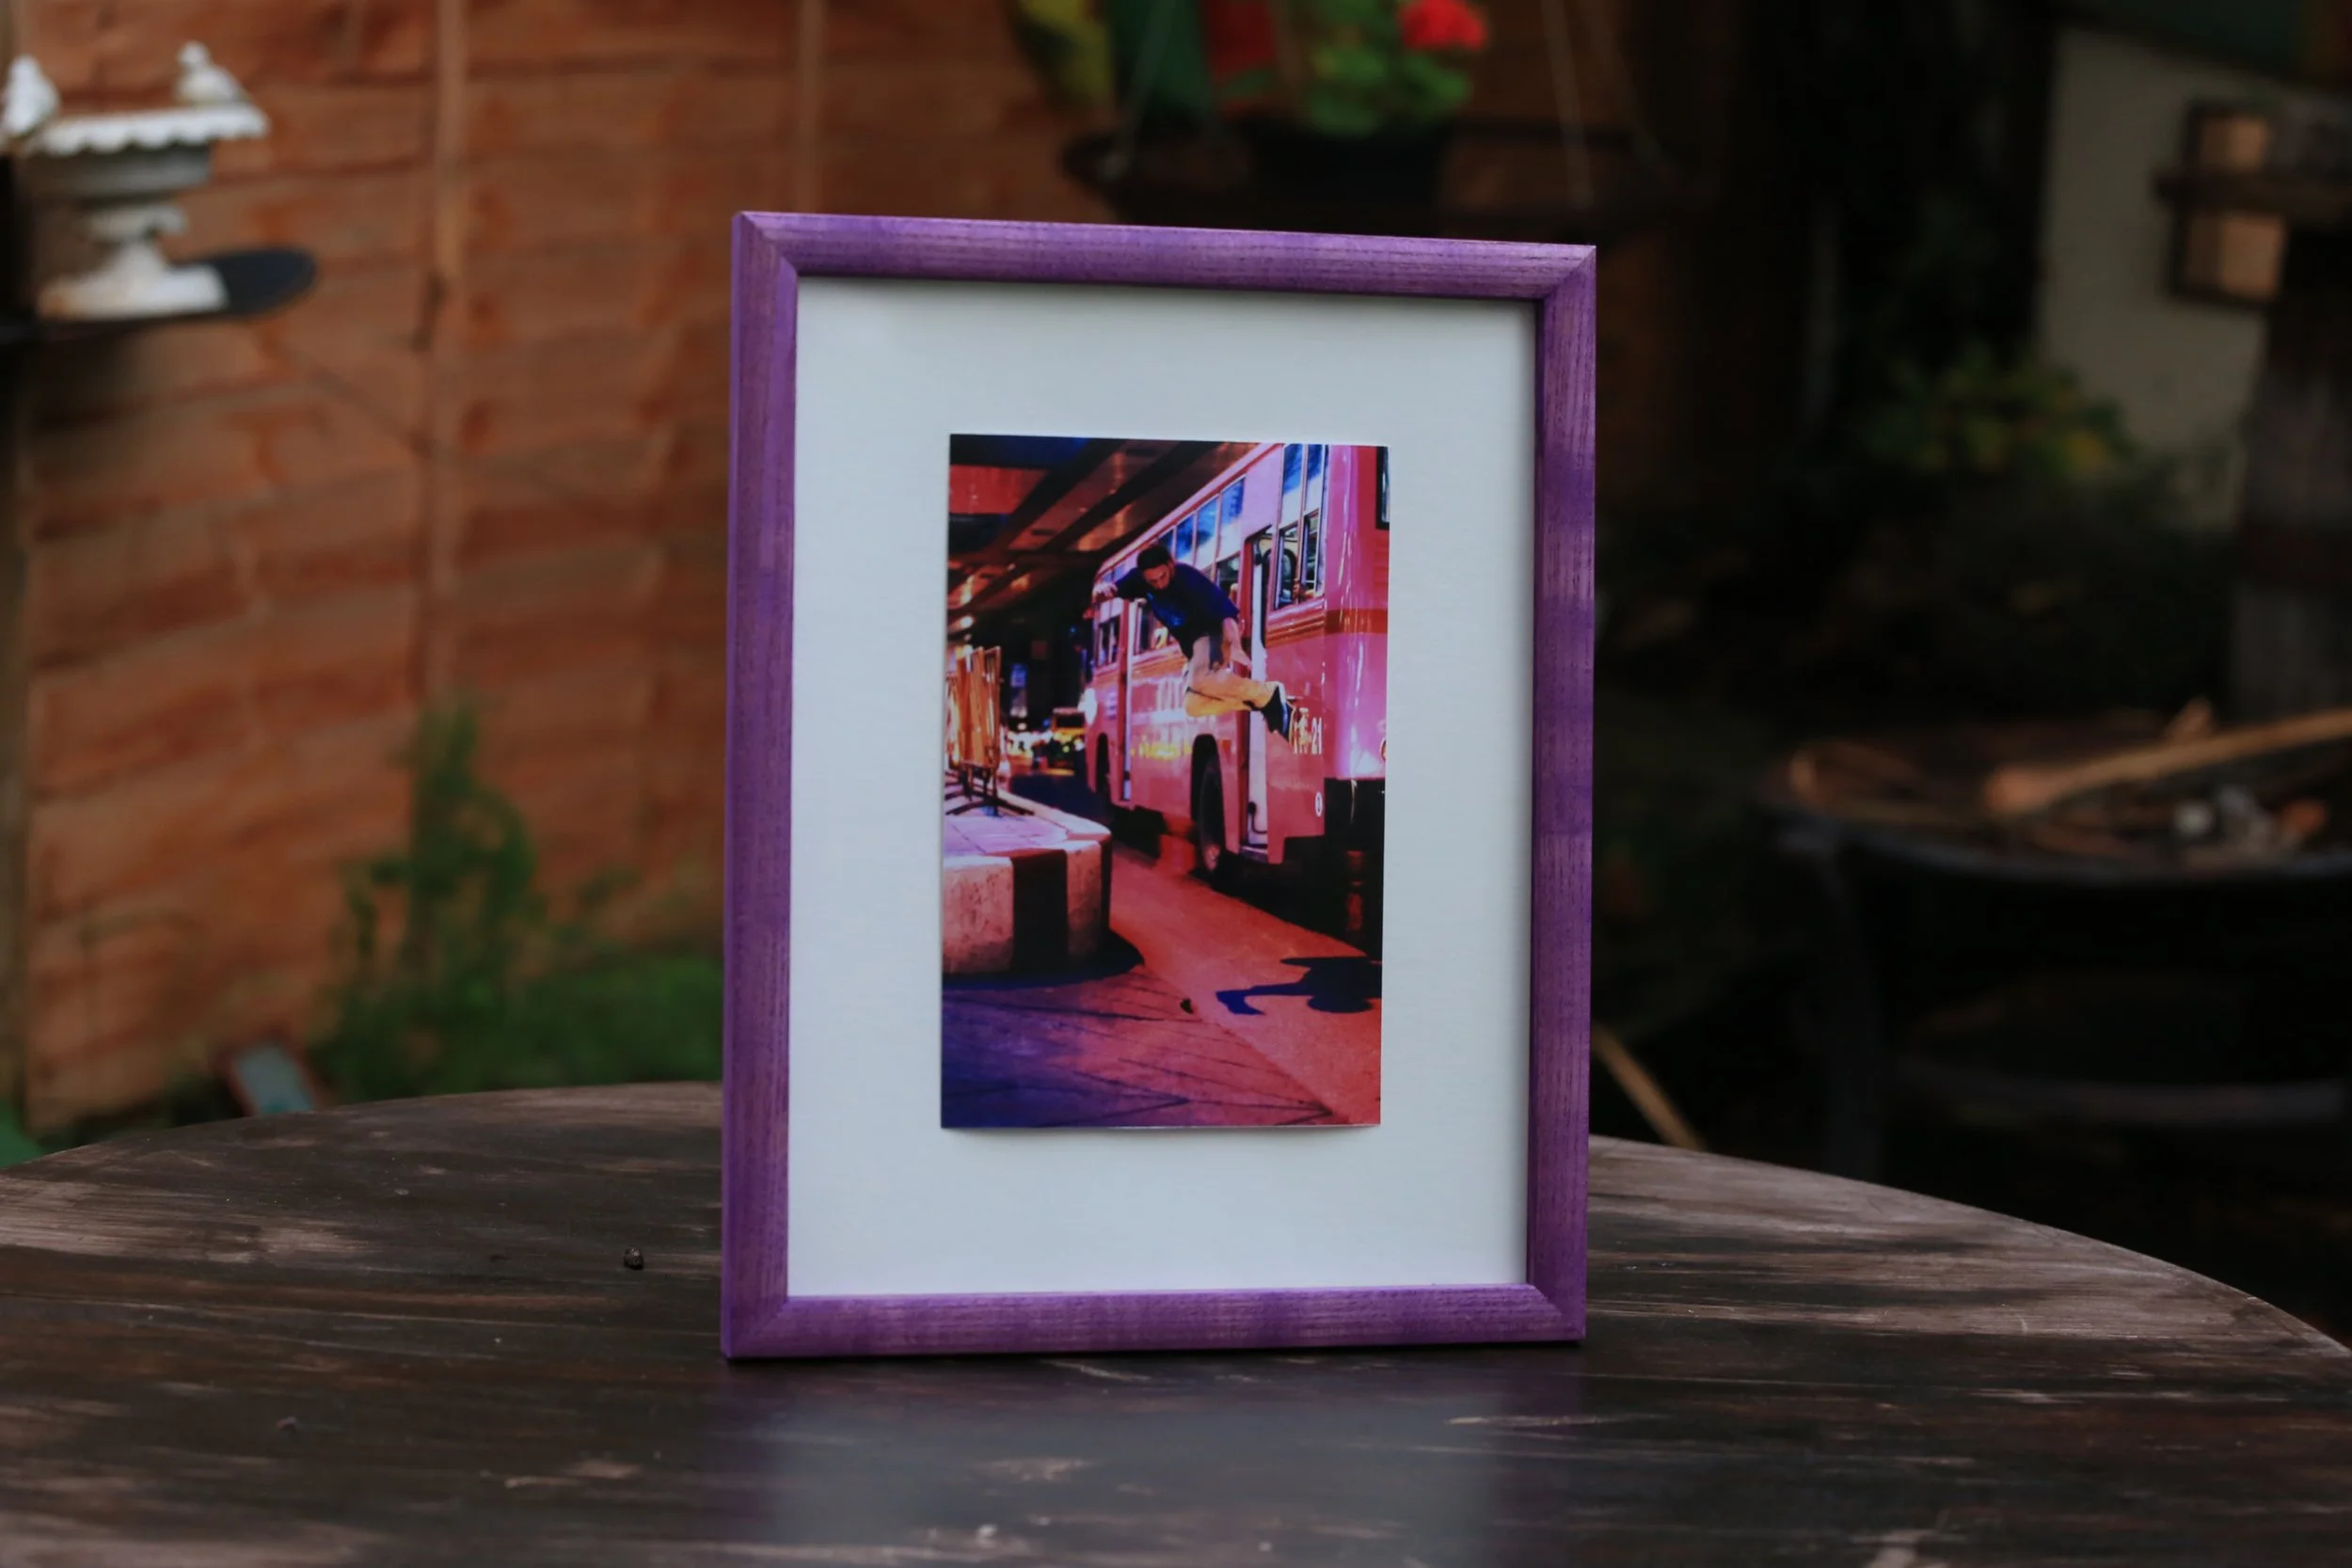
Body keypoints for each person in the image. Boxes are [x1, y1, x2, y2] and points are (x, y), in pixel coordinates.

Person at [1097, 543, 1293, 739]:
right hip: (1194, 648)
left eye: (1163, 577)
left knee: (1199, 679)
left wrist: (1235, 646)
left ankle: (1268, 692)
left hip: (1214, 633)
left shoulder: (1189, 580)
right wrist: (1102, 589)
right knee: (1193, 706)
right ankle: (1262, 703)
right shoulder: (1139, 580)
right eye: (1152, 581)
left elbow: (1226, 613)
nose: (1159, 584)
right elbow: (1113, 589)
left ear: (1170, 565)